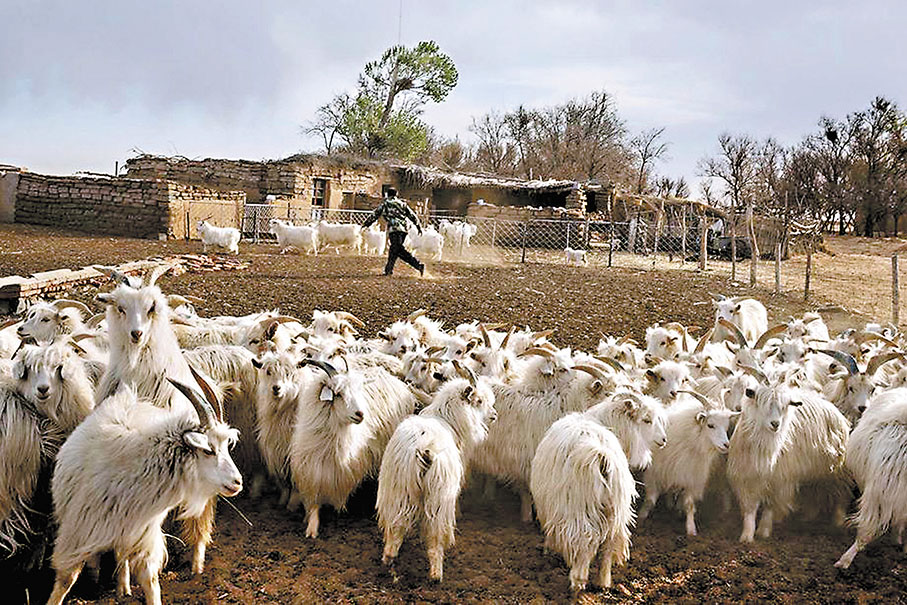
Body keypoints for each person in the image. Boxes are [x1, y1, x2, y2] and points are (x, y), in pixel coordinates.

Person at [362, 188, 425, 276]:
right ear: (396, 194)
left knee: (398, 249)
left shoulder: (386, 204)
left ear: (387, 194)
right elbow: (412, 215)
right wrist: (418, 226)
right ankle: (388, 270)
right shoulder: (402, 204)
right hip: (403, 230)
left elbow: (375, 214)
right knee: (394, 250)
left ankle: (418, 265)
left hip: (394, 229)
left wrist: (366, 224)